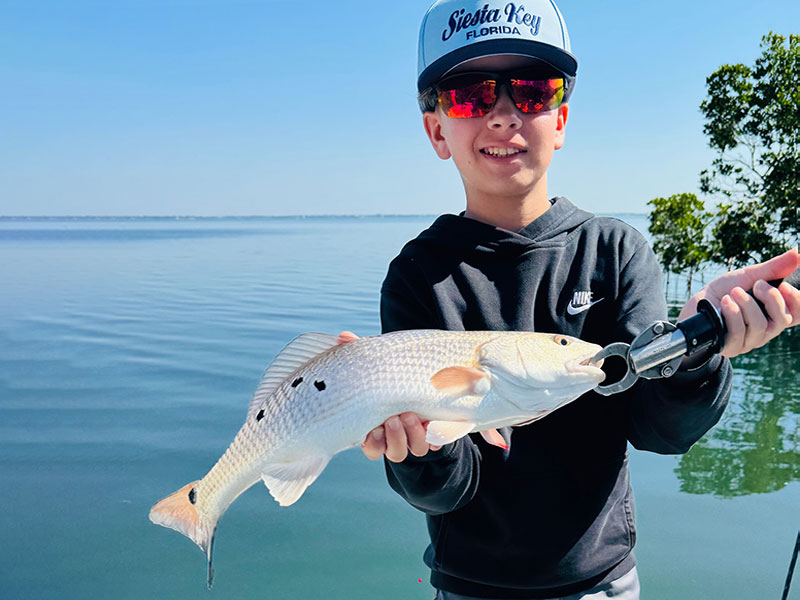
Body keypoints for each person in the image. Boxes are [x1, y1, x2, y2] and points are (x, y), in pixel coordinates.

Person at [361, 1, 800, 598]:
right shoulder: (418, 277)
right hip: (469, 586)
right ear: (438, 128)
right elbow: (444, 488)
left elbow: (660, 431)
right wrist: (414, 452)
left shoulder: (615, 251)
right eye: (470, 95)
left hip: (603, 584)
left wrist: (700, 348)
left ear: (560, 118)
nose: (503, 115)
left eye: (533, 91)